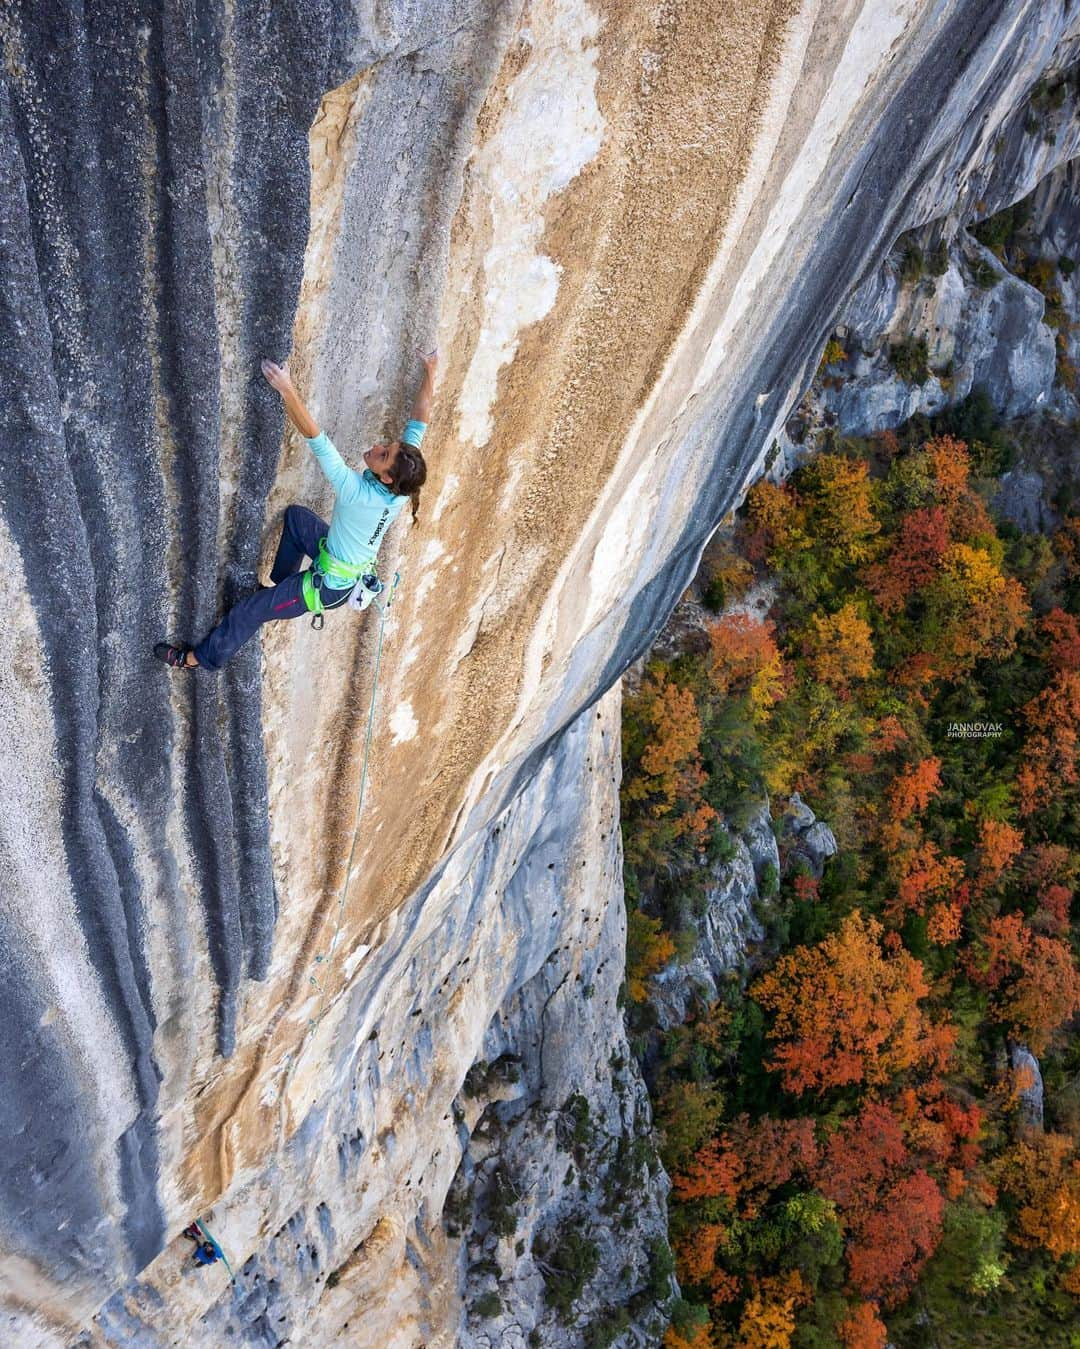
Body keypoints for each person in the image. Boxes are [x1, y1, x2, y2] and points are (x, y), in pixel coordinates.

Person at [154, 350, 435, 671]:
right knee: (297, 519)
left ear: (386, 477)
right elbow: (420, 419)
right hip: (338, 560)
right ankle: (275, 587)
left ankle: (194, 659)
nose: (377, 447)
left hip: (325, 587)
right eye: (387, 446)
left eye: (383, 454)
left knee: (248, 612)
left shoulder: (356, 492)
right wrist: (431, 370)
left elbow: (317, 438)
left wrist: (286, 389)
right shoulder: (400, 489)